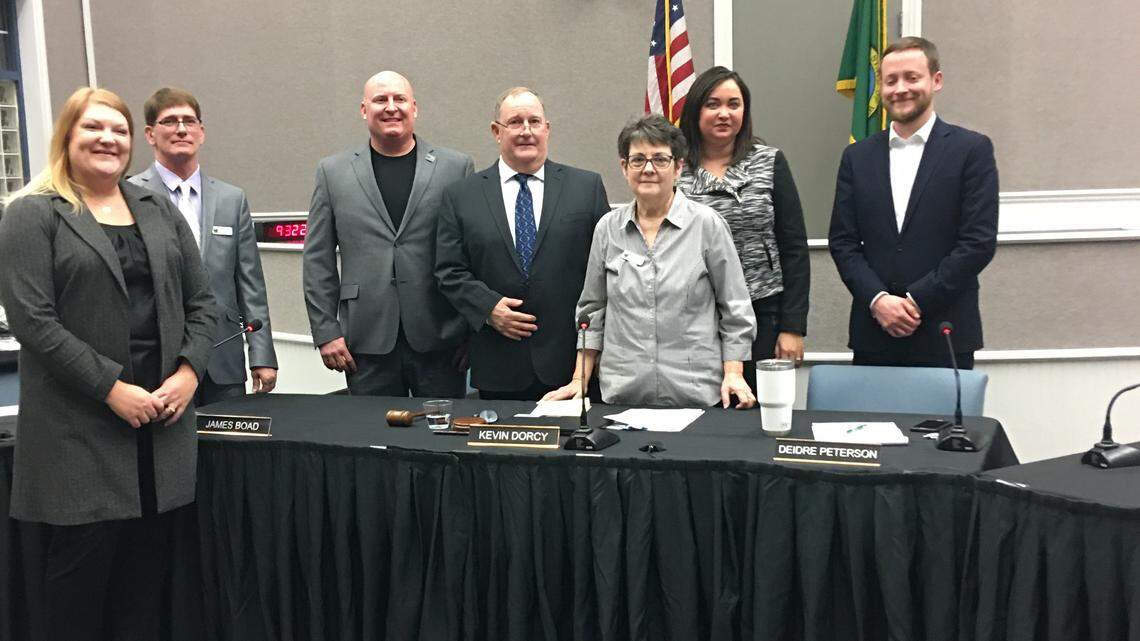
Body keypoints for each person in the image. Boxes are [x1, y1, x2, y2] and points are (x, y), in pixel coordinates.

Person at [0, 87, 217, 640]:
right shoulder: (32, 213)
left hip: (160, 431)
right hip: (81, 432)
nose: (108, 139)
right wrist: (112, 389)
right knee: (77, 592)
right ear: (67, 137)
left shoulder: (154, 205)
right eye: (93, 128)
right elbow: (33, 321)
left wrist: (189, 374)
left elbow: (202, 301)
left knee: (142, 591)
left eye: (118, 130)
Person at [542, 115, 756, 408]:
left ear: (679, 167)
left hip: (694, 393)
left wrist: (734, 373)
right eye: (638, 160)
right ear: (624, 167)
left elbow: (735, 308)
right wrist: (579, 379)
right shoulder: (608, 229)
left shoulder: (708, 225)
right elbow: (592, 310)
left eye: (660, 159)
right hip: (623, 393)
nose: (649, 169)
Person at [828, 37, 998, 369]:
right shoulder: (857, 157)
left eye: (912, 77)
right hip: (874, 333)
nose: (900, 88)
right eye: (890, 81)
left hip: (944, 331)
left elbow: (977, 242)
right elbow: (843, 242)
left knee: (946, 424)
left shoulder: (971, 151)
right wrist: (879, 302)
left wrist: (915, 301)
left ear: (936, 80)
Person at [304, 71, 474, 396]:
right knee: (372, 442)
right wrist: (326, 330)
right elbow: (317, 260)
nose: (391, 107)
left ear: (415, 108)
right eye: (381, 100)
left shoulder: (456, 168)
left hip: (442, 336)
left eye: (400, 99)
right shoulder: (332, 172)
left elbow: (472, 255)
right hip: (365, 339)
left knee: (440, 439)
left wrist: (472, 330)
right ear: (364, 109)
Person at [435, 87, 610, 400]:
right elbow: (449, 271)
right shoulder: (461, 196)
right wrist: (487, 308)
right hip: (499, 365)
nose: (526, 131)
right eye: (515, 122)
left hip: (571, 366)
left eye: (534, 121)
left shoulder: (586, 188)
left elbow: (604, 271)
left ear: (547, 129)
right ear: (496, 132)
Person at [130, 87, 278, 403]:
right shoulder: (129, 196)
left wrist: (262, 354)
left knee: (232, 451)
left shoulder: (231, 200)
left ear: (201, 132)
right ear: (150, 134)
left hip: (222, 359)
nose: (181, 129)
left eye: (189, 121)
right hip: (156, 362)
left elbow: (250, 284)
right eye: (170, 121)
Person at [676, 66, 810, 392]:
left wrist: (793, 327)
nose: (724, 113)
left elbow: (793, 247)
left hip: (763, 312)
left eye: (733, 104)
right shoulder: (675, 168)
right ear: (695, 111)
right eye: (713, 104)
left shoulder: (769, 161)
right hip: (695, 317)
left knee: (755, 412)